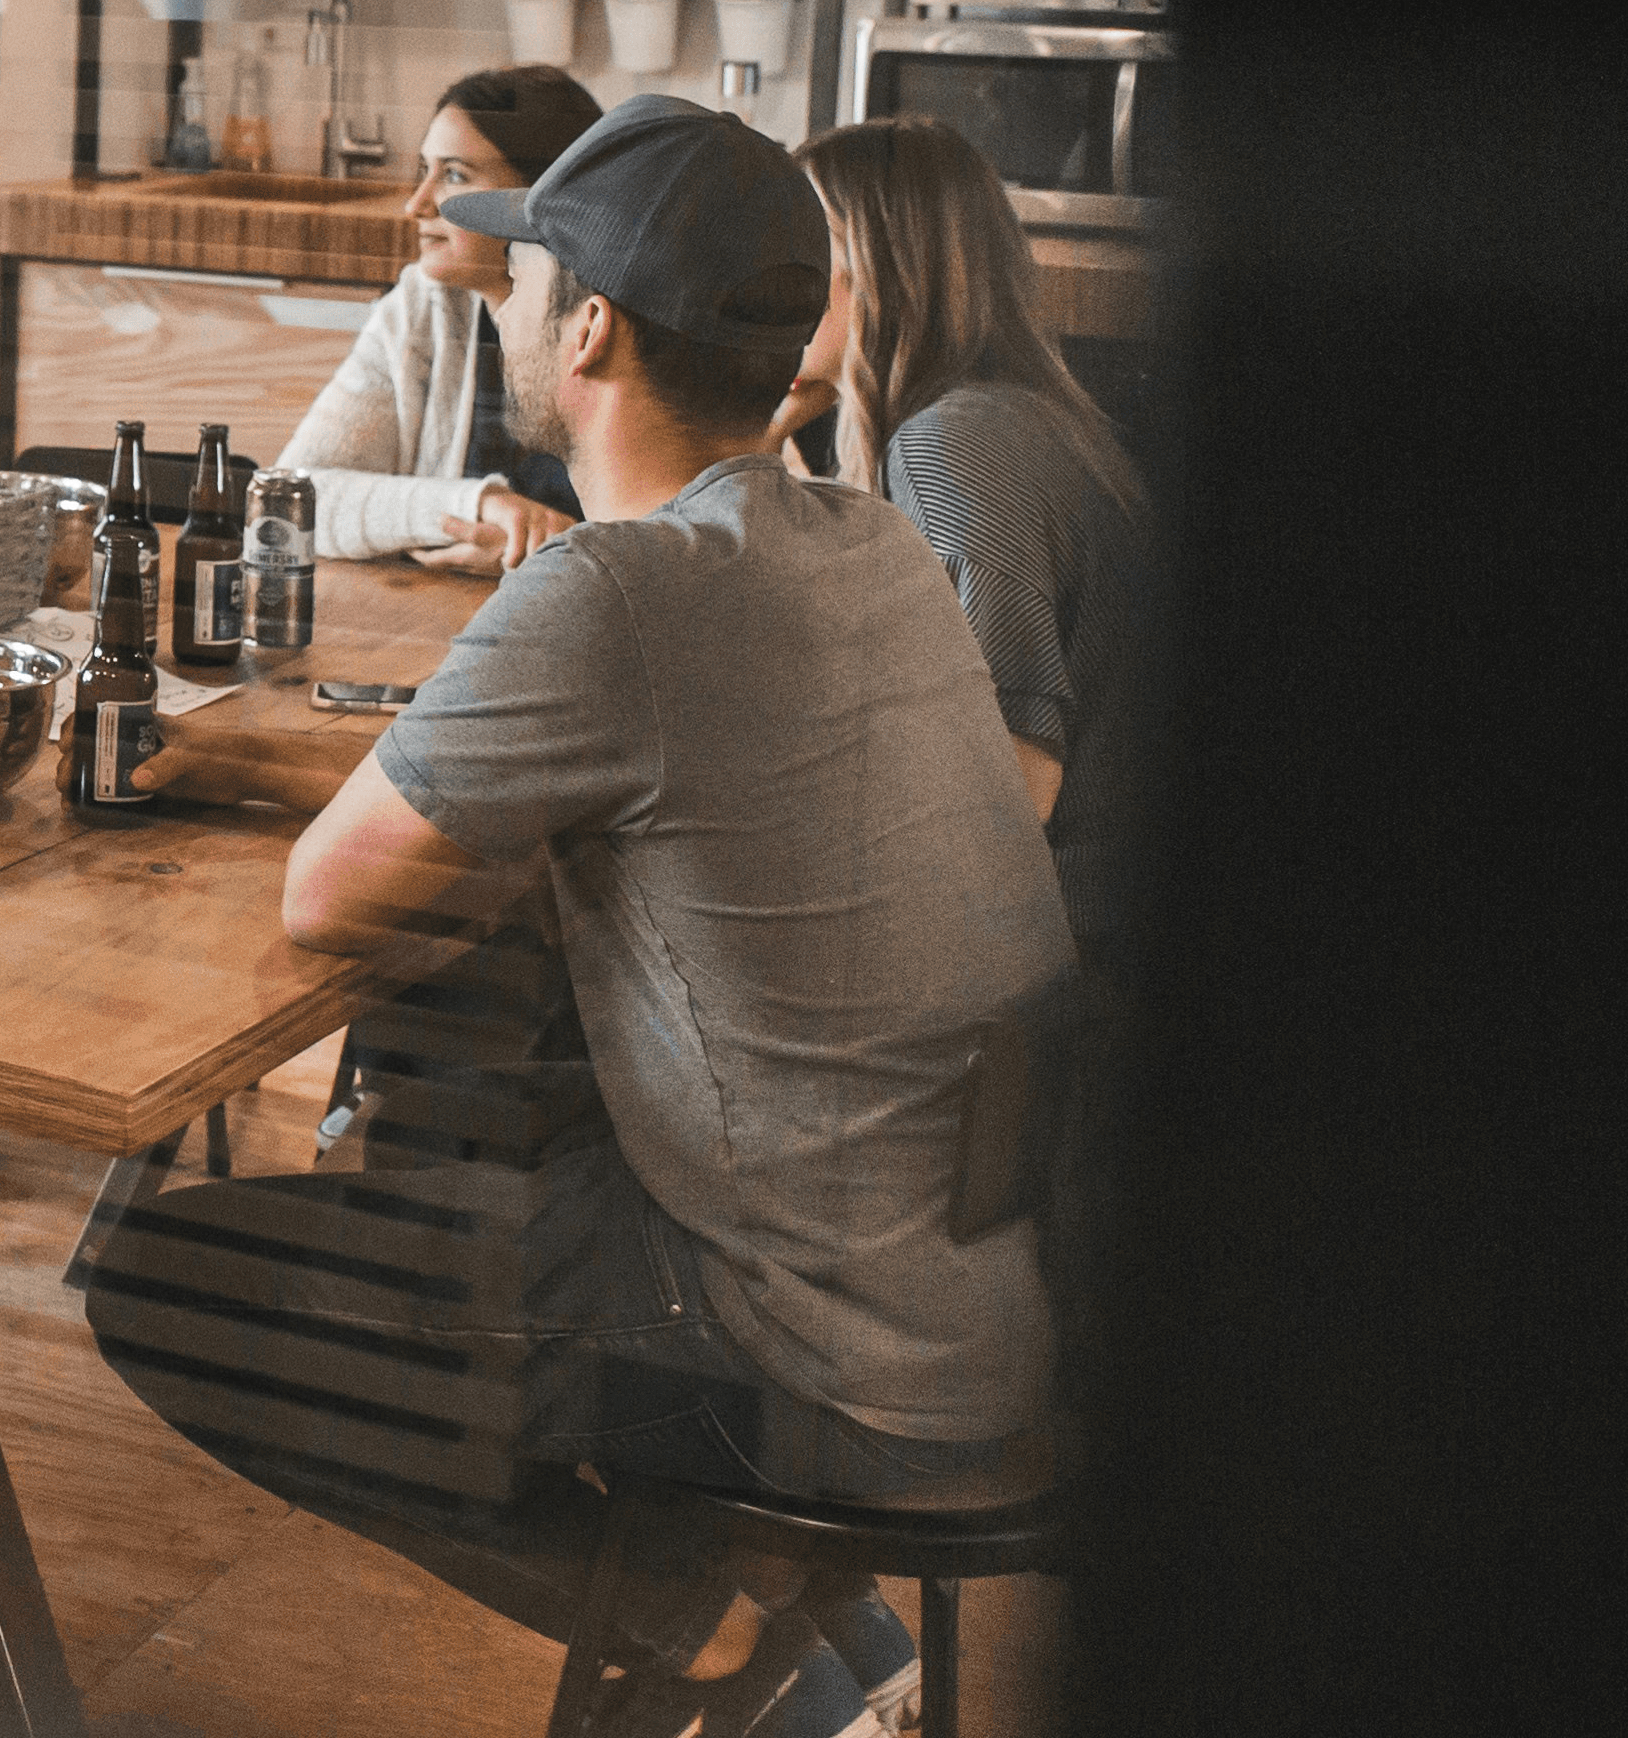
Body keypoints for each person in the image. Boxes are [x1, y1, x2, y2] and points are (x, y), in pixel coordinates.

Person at [89, 99, 1077, 1737]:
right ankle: (798, 1643)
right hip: (987, 1301)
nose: (511, 299)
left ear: (593, 327)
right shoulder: (871, 539)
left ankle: (714, 1635)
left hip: (827, 1367)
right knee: (480, 1106)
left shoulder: (617, 590)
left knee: (165, 1276)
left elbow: (325, 895)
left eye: (532, 267)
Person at [784, 115, 1152, 993]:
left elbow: (999, 798)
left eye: (792, 248)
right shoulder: (998, 416)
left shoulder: (955, 443)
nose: (763, 280)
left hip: (1070, 974)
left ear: (871, 266)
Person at [276, 64, 603, 570]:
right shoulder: (422, 307)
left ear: (542, 196)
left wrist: (540, 553)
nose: (416, 204)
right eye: (423, 170)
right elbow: (290, 501)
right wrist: (477, 505)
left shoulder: (619, 327)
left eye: (453, 175)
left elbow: (674, 546)